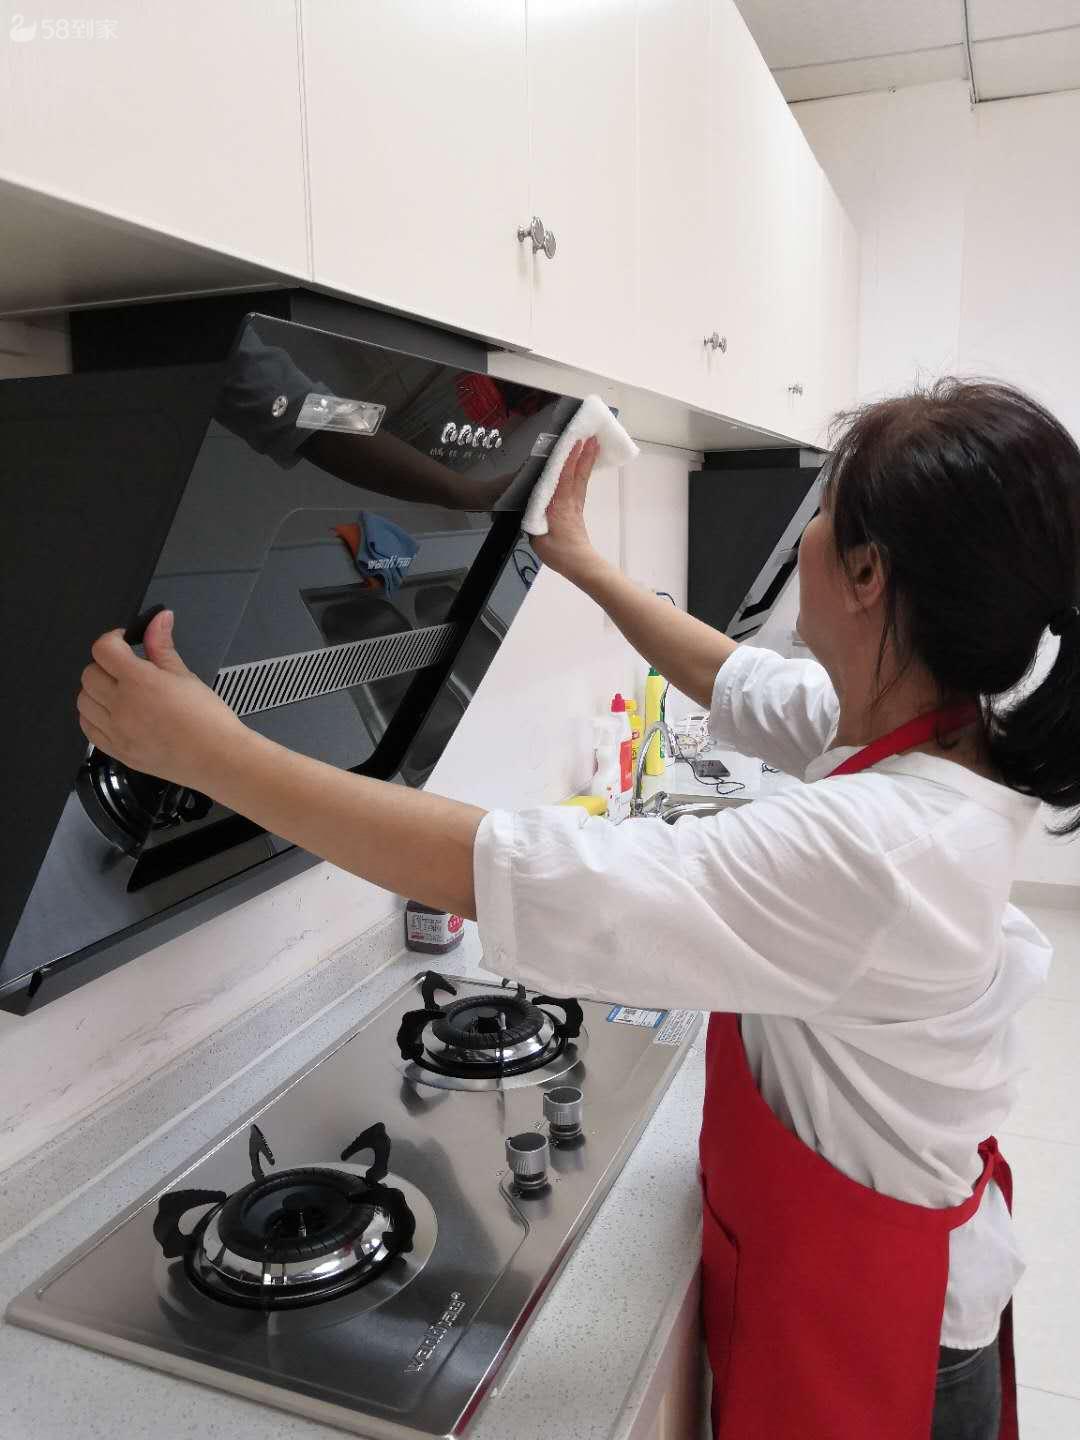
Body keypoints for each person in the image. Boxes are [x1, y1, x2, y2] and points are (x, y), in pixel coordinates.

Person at [75, 378, 1080, 1440]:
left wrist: (209, 754)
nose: (808, 538)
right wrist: (581, 562)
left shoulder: (881, 851)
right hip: (862, 1270)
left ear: (870, 575)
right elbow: (740, 681)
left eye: (825, 514)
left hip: (887, 1343)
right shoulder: (937, 727)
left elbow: (514, 869)